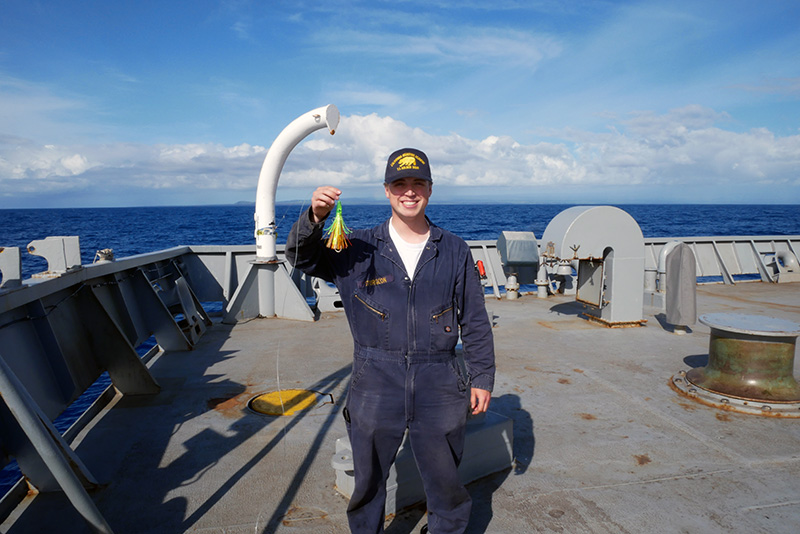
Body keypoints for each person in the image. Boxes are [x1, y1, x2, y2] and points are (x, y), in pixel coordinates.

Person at [286, 148, 495, 534]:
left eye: (418, 183)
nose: (409, 192)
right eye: (400, 183)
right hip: (374, 379)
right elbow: (302, 257)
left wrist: (481, 376)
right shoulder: (355, 248)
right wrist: (315, 218)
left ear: (430, 189)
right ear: (387, 190)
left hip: (440, 379)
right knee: (367, 481)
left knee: (446, 481)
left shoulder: (455, 250)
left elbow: (476, 319)